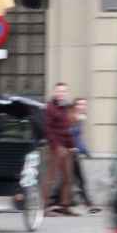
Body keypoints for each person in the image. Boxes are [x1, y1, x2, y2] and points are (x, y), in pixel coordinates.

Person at [42, 81, 78, 216]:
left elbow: (67, 130)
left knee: (68, 178)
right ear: (55, 92)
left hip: (66, 148)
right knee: (50, 178)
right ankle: (44, 208)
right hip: (54, 147)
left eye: (64, 91)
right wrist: (56, 146)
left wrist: (72, 146)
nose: (61, 94)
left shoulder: (65, 108)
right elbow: (47, 129)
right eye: (59, 91)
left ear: (66, 93)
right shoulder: (50, 107)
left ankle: (65, 206)